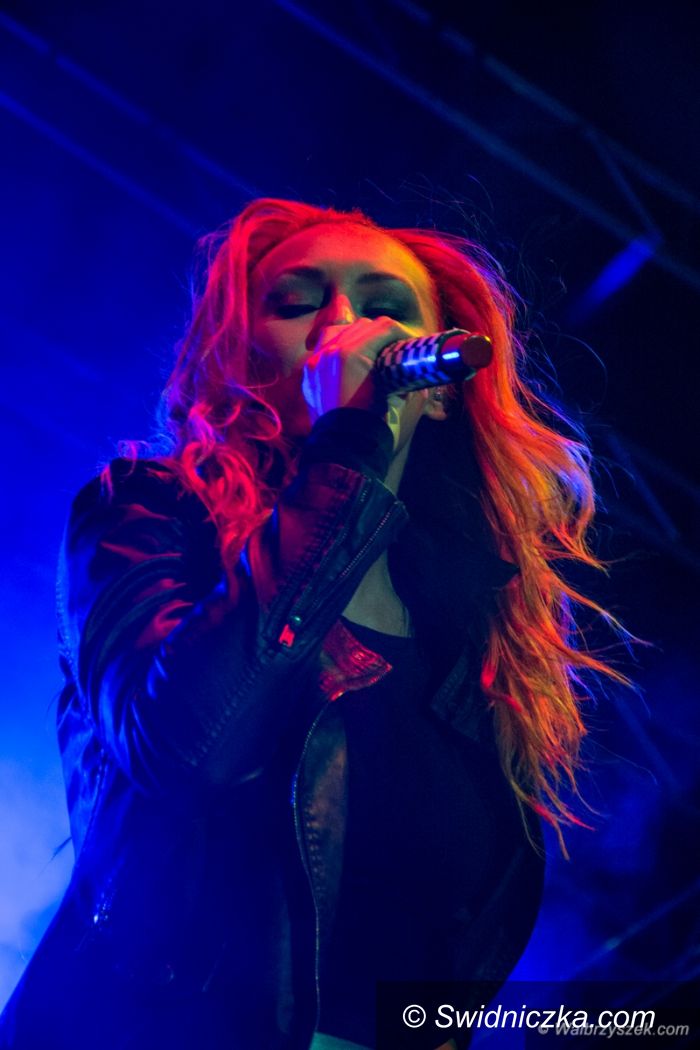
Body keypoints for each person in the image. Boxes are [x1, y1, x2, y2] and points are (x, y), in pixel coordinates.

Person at [0, 198, 625, 1050]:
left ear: (441, 391)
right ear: (239, 365)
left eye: (384, 307)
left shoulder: (471, 624)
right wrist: (348, 442)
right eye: (297, 302)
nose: (342, 324)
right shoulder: (145, 515)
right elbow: (188, 749)